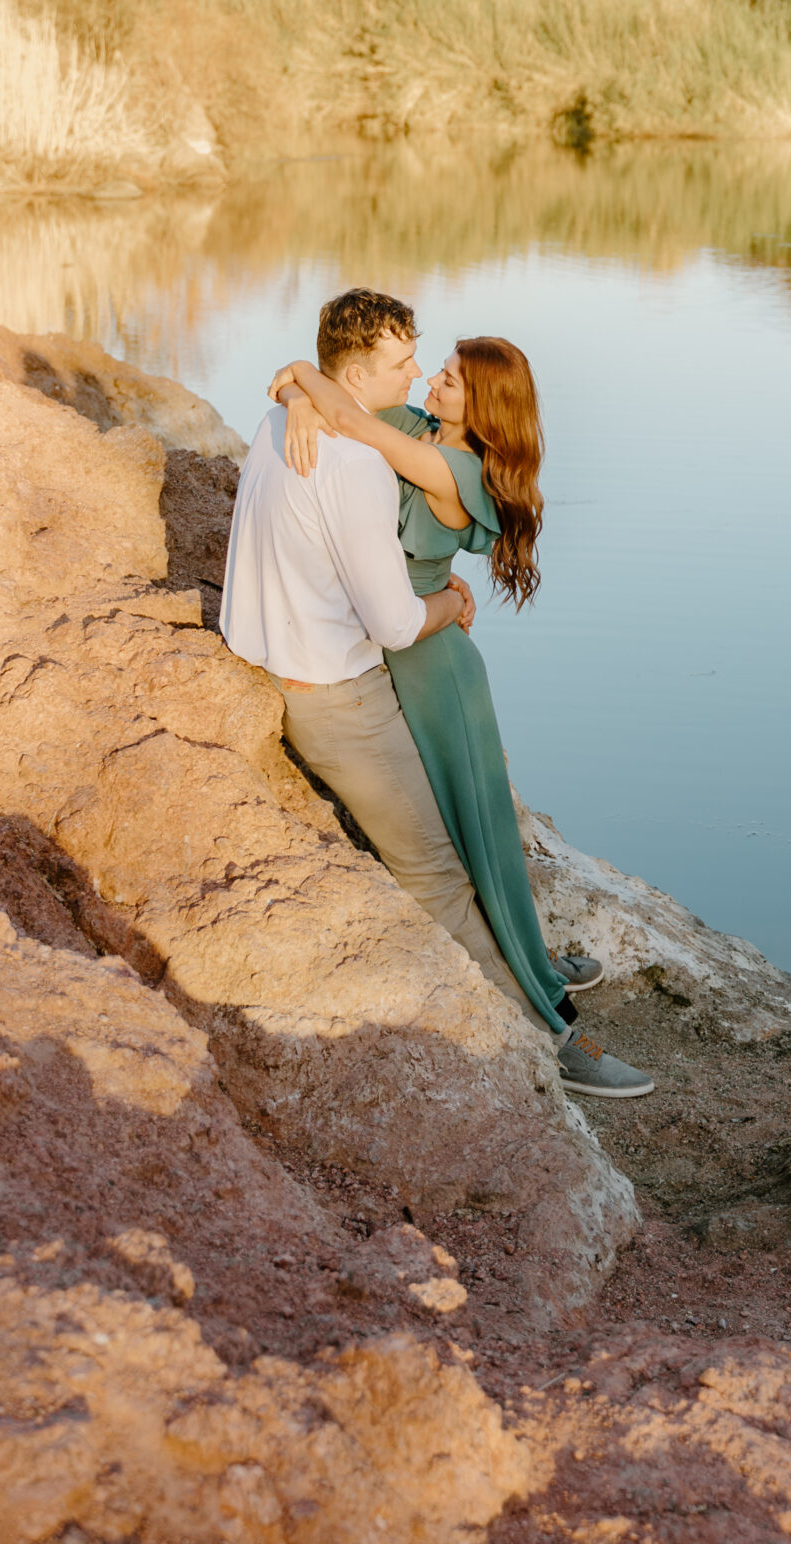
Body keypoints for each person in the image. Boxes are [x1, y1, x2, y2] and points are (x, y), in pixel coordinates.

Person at [258, 291, 654, 1100]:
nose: (431, 376)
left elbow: (354, 421)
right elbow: (346, 403)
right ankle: (534, 960)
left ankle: (540, 1003)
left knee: (474, 829)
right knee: (466, 828)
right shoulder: (417, 430)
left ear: (484, 406)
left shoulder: (452, 465)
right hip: (402, 646)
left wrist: (305, 377)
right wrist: (300, 385)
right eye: (431, 366)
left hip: (432, 665)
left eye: (448, 376)